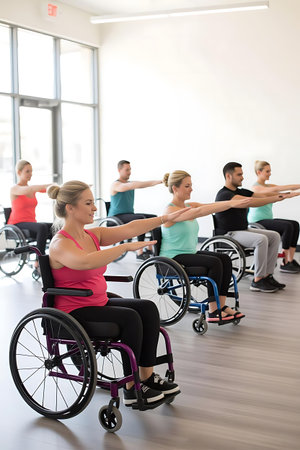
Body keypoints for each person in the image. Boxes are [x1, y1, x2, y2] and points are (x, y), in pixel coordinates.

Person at [47, 180, 188, 405]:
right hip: (75, 311)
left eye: (93, 202)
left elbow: (129, 229)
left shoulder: (92, 235)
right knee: (130, 317)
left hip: (97, 302)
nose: (94, 208)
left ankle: (147, 378)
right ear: (70, 208)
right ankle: (132, 389)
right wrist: (123, 248)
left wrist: (164, 219)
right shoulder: (59, 244)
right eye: (88, 203)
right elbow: (83, 262)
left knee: (148, 308)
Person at [160, 170, 250, 323]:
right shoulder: (170, 211)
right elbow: (200, 211)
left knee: (224, 258)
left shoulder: (189, 205)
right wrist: (230, 203)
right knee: (214, 263)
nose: (191, 189)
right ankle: (212, 309)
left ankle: (220, 306)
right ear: (175, 188)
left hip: (189, 253)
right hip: (172, 257)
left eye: (191, 185)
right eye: (187, 186)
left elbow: (212, 206)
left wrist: (231, 203)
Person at [215, 162, 294, 293]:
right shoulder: (225, 195)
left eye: (242, 174)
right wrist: (278, 198)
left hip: (242, 230)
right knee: (261, 239)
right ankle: (257, 280)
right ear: (228, 176)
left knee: (274, 235)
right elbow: (253, 202)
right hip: (229, 233)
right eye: (239, 174)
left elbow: (262, 196)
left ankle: (268, 276)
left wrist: (285, 195)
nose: (242, 177)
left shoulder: (241, 192)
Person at [248, 160, 300, 274]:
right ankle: (285, 262)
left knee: (295, 224)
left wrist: (296, 192)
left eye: (270, 171)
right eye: (267, 171)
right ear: (259, 172)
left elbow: (287, 193)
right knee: (287, 227)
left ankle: (290, 260)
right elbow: (282, 188)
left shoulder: (268, 186)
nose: (270, 173)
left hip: (267, 220)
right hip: (257, 221)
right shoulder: (256, 188)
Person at [109, 160, 162, 260]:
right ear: (119, 170)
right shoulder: (115, 185)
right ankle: (139, 251)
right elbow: (126, 187)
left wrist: (160, 181)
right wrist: (136, 184)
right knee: (141, 219)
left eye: (130, 169)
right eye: (127, 170)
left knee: (154, 218)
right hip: (116, 217)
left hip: (128, 215)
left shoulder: (131, 184)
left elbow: (142, 184)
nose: (129, 172)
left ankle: (150, 247)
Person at [8, 160, 52, 265]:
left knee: (54, 226)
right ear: (19, 172)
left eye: (31, 171)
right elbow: (29, 189)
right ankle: (39, 261)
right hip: (17, 224)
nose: (30, 174)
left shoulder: (31, 189)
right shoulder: (15, 189)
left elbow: (47, 188)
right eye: (27, 171)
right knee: (42, 227)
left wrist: (59, 187)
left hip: (31, 224)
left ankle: (55, 257)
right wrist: (45, 186)